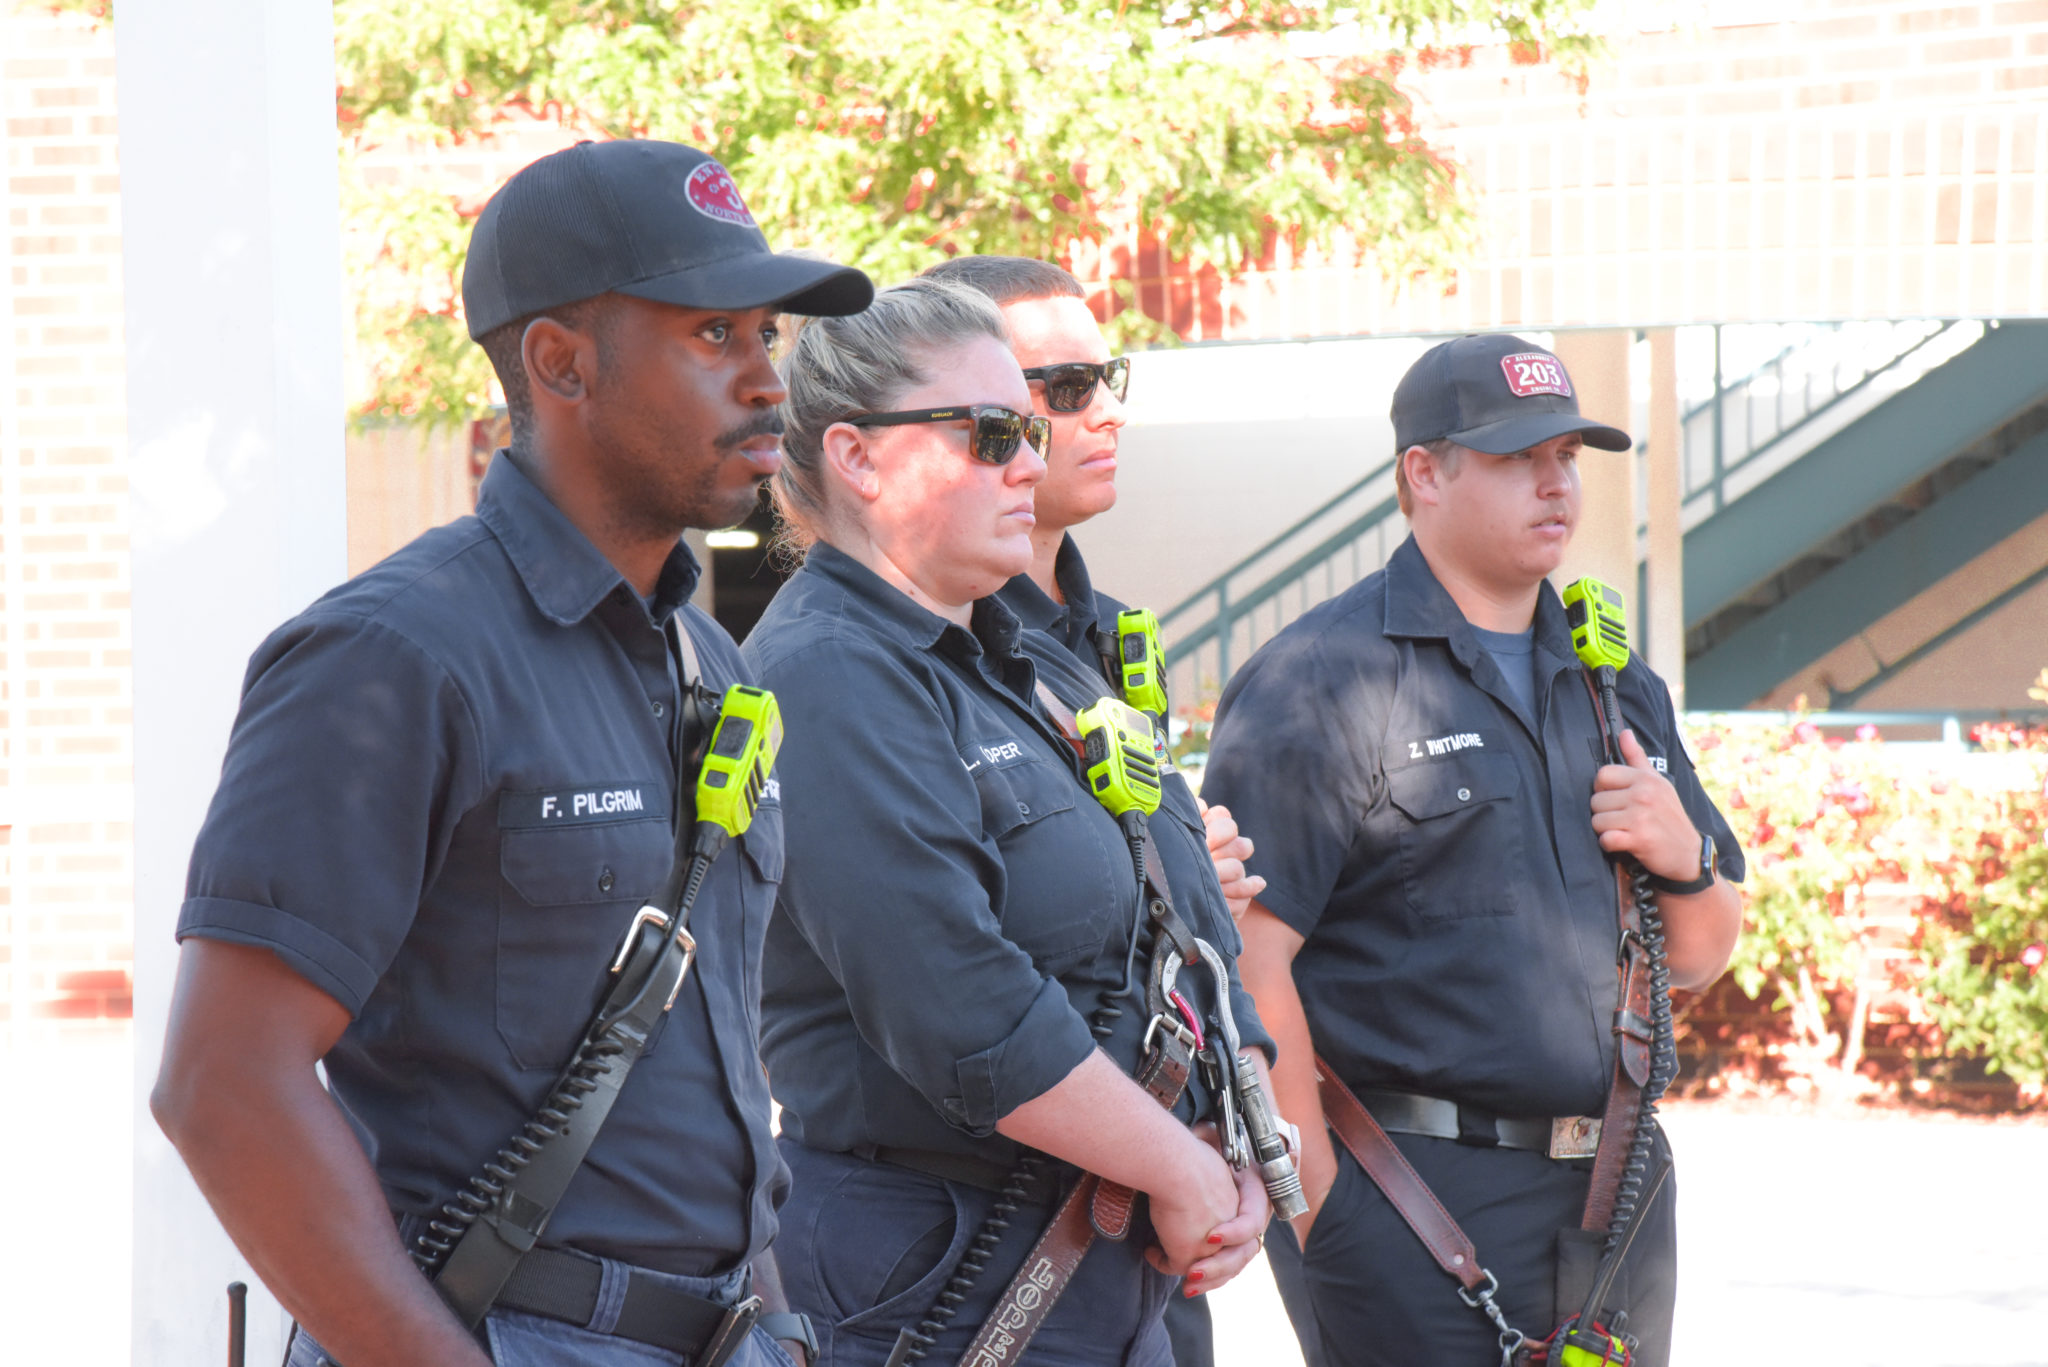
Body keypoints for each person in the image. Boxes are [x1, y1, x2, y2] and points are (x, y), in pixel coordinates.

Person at [151, 140, 872, 1367]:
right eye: (715, 336)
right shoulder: (393, 655)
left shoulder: (711, 661)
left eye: (769, 335)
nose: (767, 380)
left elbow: (703, 1063)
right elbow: (224, 1084)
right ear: (560, 362)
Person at [742, 278, 1270, 1367]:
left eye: (1028, 429)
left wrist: (1244, 1124)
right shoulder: (824, 675)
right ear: (857, 457)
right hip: (944, 1270)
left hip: (1111, 1257)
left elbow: (1187, 905)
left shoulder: (1028, 660)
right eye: (990, 434)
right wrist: (1182, 1167)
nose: (1029, 460)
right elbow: (961, 1006)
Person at [1202, 333, 1745, 1367]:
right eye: (1515, 457)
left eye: (1566, 458)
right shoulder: (1319, 680)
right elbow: (1243, 960)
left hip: (1615, 1195)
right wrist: (1319, 1214)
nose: (1554, 484)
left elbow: (1697, 953)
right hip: (1409, 1198)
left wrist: (1681, 857)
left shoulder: (1611, 680)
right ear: (1424, 473)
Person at [919, 255, 1272, 1367]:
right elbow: (952, 968)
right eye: (1062, 387)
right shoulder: (925, 647)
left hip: (1159, 1220)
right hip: (996, 1222)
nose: (1103, 410)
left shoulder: (1108, 634)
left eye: (1104, 376)